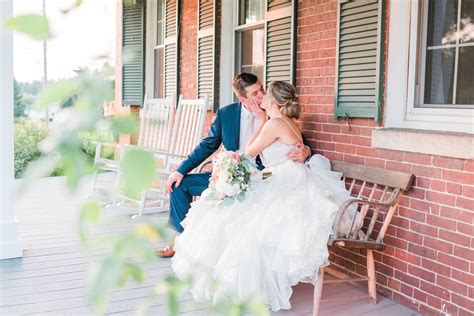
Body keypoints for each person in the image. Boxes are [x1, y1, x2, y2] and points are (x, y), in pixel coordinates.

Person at [171, 81, 354, 311]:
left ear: (273, 101)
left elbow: (247, 152)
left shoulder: (274, 124)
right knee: (240, 217)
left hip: (282, 180)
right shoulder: (285, 122)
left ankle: (245, 286)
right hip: (284, 176)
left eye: (265, 92)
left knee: (243, 223)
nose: (262, 96)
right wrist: (263, 120)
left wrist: (261, 120)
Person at [156, 73, 311, 258]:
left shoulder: (274, 114)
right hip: (228, 174)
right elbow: (207, 145)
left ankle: (211, 252)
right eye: (255, 93)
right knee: (179, 186)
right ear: (242, 97)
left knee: (222, 212)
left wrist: (306, 151)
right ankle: (180, 241)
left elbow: (294, 142)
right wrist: (181, 170)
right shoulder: (226, 114)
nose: (261, 96)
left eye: (262, 90)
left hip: (262, 179)